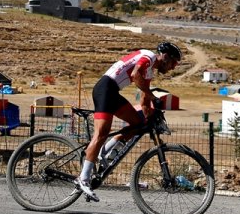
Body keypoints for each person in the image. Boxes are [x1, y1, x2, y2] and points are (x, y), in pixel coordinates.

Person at [75, 42, 182, 201]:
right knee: (101, 134)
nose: (173, 68)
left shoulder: (150, 69)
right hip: (105, 88)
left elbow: (144, 99)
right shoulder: (149, 56)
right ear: (165, 57)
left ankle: (104, 152)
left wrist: (151, 116)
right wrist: (152, 96)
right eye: (174, 63)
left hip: (113, 92)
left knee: (138, 124)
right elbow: (135, 75)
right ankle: (83, 179)